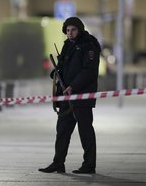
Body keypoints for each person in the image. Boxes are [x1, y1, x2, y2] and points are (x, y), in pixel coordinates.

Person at [39, 17, 101, 174]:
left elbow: (89, 71)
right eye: (67, 30)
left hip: (82, 97)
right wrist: (56, 73)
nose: (70, 33)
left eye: (73, 30)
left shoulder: (89, 45)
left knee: (85, 130)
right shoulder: (68, 45)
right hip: (66, 96)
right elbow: (64, 66)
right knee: (62, 130)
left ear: (79, 29)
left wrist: (74, 86)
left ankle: (89, 165)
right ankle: (58, 163)